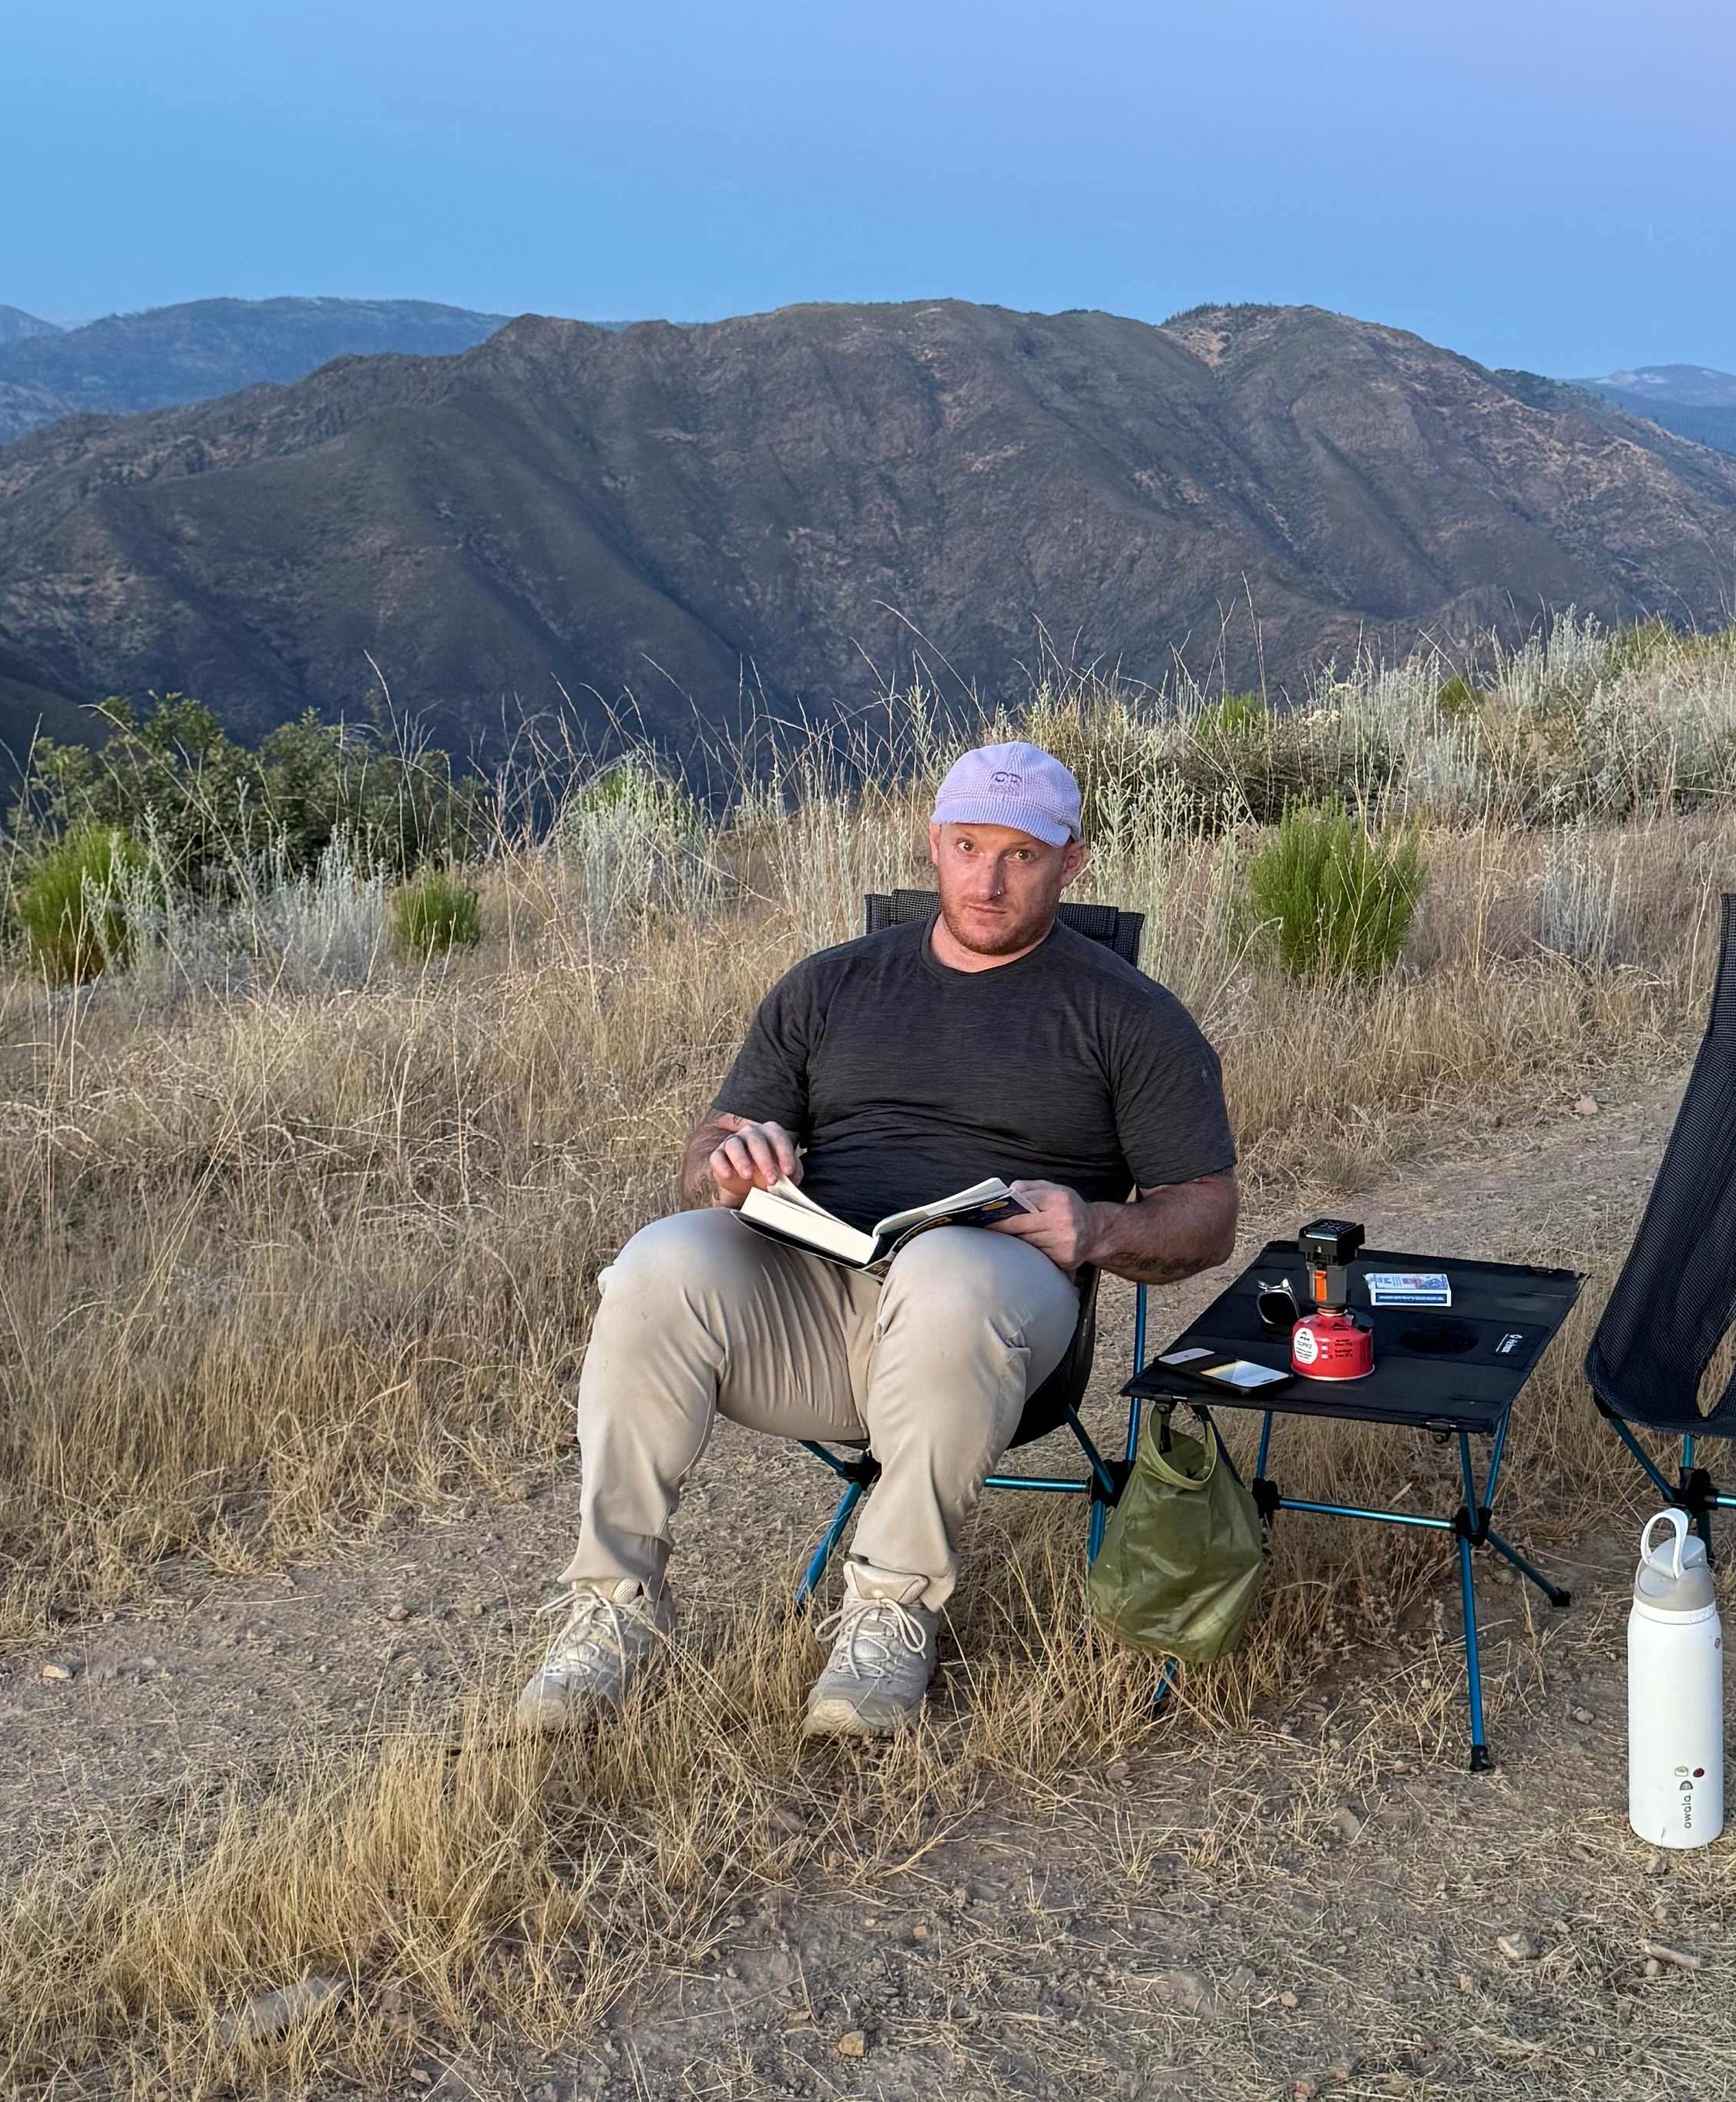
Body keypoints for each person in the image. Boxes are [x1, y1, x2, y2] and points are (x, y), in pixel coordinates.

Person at [515, 742, 1238, 1741]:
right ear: (933, 843)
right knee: (659, 1259)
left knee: (945, 1267)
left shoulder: (1128, 1016)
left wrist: (1098, 1226)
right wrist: (732, 1158)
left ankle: (888, 1615)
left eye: (1021, 856)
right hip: (821, 1305)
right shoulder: (830, 986)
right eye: (967, 846)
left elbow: (1207, 1215)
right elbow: (705, 1152)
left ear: (1071, 864)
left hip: (992, 1325)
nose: (987, 879)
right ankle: (611, 1608)